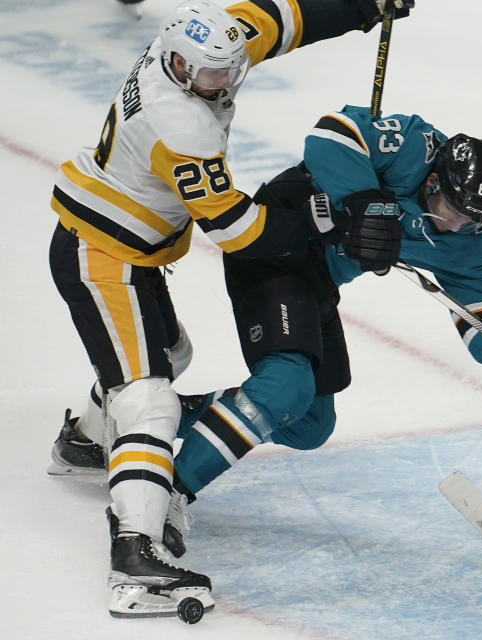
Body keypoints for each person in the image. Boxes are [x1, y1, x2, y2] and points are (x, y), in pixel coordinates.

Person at [48, 0, 413, 618]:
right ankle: (135, 554)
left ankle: (85, 443)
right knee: (148, 395)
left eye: (228, 69)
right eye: (211, 76)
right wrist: (325, 223)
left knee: (171, 353)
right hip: (101, 254)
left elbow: (282, 17)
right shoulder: (177, 123)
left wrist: (360, 7)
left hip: (127, 248)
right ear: (178, 65)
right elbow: (236, 228)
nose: (224, 81)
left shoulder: (209, 44)